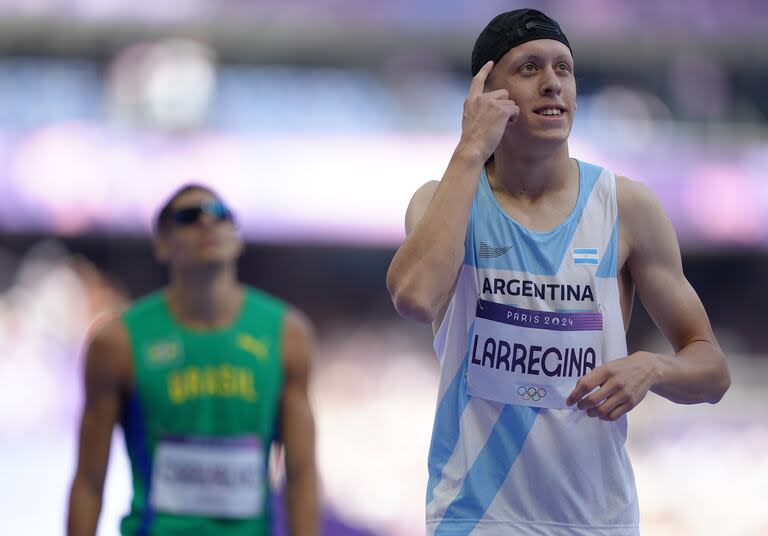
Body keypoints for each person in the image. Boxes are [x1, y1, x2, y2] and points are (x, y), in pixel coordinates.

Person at [386, 8, 731, 536]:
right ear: (485, 92)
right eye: (529, 69)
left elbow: (712, 371)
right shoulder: (443, 202)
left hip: (595, 519)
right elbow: (415, 297)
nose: (553, 84)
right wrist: (470, 148)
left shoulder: (626, 207)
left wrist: (651, 369)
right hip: (477, 517)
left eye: (564, 69)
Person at [67, 184, 318, 536]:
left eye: (220, 215)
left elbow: (302, 474)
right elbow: (90, 481)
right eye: (188, 217)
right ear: (162, 244)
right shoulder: (118, 343)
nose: (207, 223)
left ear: (237, 238)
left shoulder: (287, 336)